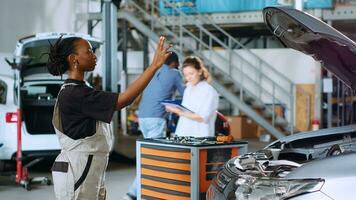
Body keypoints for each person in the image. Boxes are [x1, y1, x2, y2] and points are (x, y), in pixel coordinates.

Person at [47, 35, 171, 200]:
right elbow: (124, 99)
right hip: (78, 171)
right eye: (89, 51)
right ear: (74, 59)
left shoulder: (80, 90)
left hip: (87, 170)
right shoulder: (75, 94)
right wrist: (154, 66)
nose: (94, 55)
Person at [125, 51, 185, 200]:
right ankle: (132, 193)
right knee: (152, 159)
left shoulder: (155, 71)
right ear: (175, 63)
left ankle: (138, 192)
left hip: (143, 117)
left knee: (149, 156)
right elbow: (187, 93)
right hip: (156, 119)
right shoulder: (175, 73)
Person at [166, 56, 219, 137]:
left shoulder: (209, 91)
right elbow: (187, 109)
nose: (188, 78)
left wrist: (179, 112)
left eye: (191, 73)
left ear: (200, 71)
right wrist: (174, 109)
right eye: (186, 75)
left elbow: (203, 117)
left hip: (200, 135)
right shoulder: (188, 89)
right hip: (183, 133)